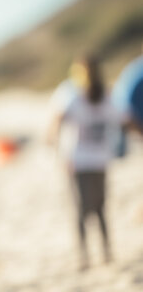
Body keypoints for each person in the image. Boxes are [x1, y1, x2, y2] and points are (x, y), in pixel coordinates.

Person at [51, 57, 122, 270]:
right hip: (100, 159)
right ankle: (106, 252)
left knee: (81, 210)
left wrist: (55, 148)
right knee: (100, 208)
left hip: (78, 161)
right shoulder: (107, 96)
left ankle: (84, 256)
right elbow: (121, 119)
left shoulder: (72, 96)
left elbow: (57, 122)